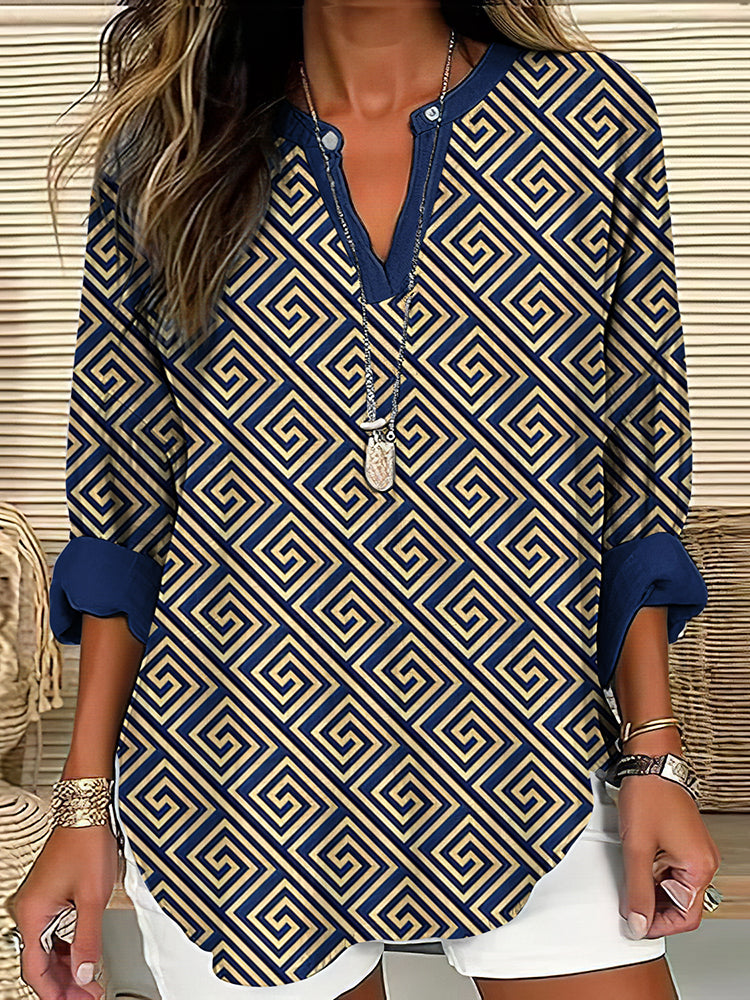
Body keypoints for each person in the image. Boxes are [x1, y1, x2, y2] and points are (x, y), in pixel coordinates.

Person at [7, 2, 721, 999]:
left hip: (535, 745)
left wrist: (654, 755)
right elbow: (125, 505)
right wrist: (84, 805)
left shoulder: (591, 119)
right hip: (236, 768)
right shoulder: (169, 148)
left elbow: (633, 473)